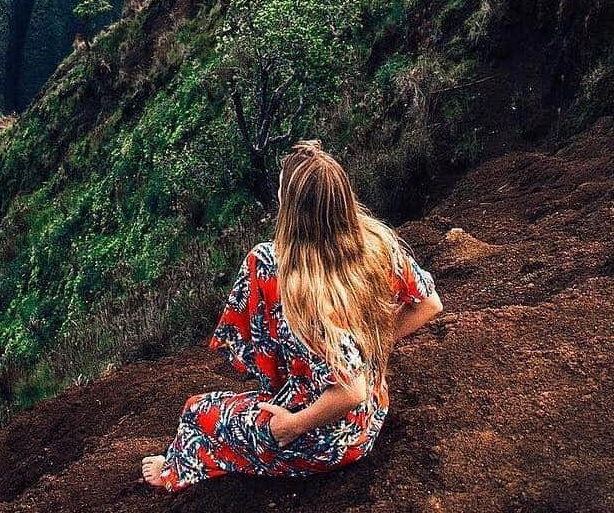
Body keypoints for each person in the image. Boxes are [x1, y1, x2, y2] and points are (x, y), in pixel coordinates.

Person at [141, 139, 443, 490]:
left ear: (293, 206)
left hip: (326, 437)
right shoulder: (376, 241)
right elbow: (429, 303)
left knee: (197, 414)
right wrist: (370, 345)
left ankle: (171, 472)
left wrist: (294, 424)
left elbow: (351, 391)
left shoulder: (295, 283)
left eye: (283, 189)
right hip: (371, 414)